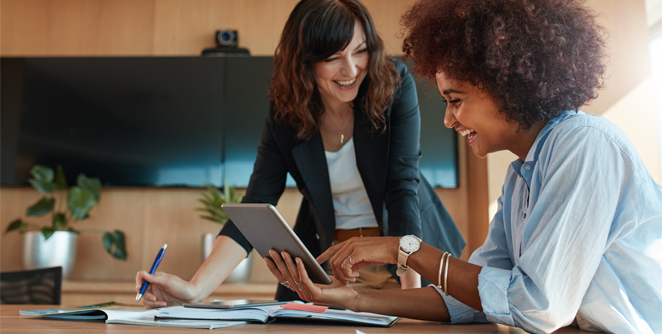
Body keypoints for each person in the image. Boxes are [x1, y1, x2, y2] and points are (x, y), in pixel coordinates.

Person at [265, 0, 662, 333]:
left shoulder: (584, 144)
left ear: (507, 85)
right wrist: (352, 299)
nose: (449, 119)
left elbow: (538, 306)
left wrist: (406, 249)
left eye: (455, 100)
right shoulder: (521, 177)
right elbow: (471, 299)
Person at [135, 0, 464, 307]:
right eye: (333, 58)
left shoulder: (393, 84)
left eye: (360, 51)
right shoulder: (286, 111)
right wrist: (194, 290)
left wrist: (415, 298)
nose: (351, 69)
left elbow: (401, 187)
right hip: (334, 265)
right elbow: (256, 203)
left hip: (406, 259)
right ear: (304, 61)